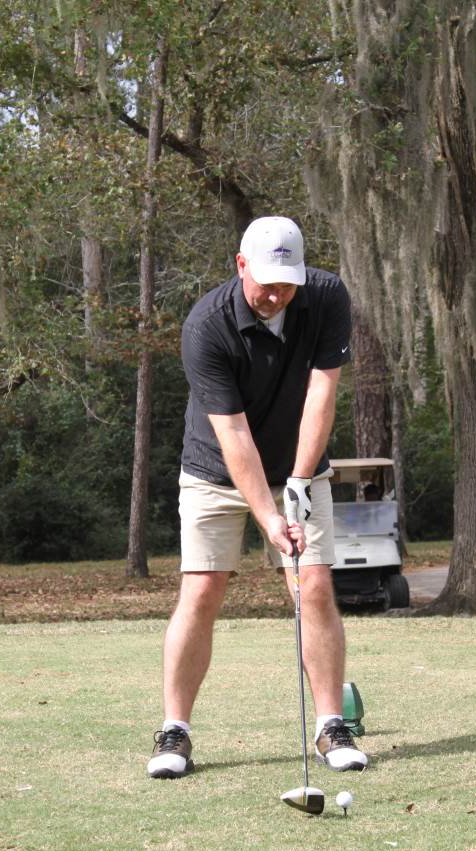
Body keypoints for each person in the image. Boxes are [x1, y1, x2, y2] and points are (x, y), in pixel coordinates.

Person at [147, 216, 368, 779]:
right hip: (215, 469)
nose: (276, 295)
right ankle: (175, 731)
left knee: (313, 583)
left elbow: (322, 395)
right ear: (240, 266)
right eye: (266, 282)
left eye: (286, 283)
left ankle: (329, 725)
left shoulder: (325, 298)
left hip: (298, 465)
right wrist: (270, 518)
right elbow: (233, 435)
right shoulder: (206, 325)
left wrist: (297, 482)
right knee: (202, 588)